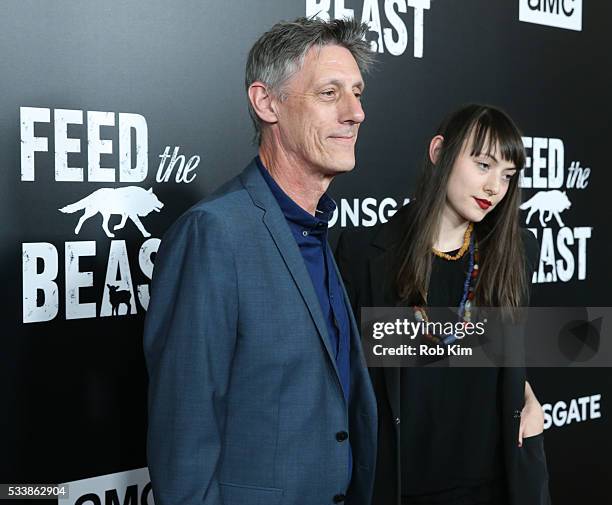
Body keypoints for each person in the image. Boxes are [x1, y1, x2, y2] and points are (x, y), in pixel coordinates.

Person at [143, 17, 377, 505]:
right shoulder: (214, 235)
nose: (355, 112)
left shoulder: (318, 233)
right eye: (330, 94)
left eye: (357, 93)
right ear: (266, 102)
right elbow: (185, 432)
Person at [336, 104, 550, 505]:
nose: (494, 188)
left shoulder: (516, 253)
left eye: (507, 176)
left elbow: (503, 358)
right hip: (400, 483)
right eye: (483, 165)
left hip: (492, 484)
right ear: (439, 152)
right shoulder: (366, 253)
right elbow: (347, 373)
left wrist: (526, 394)